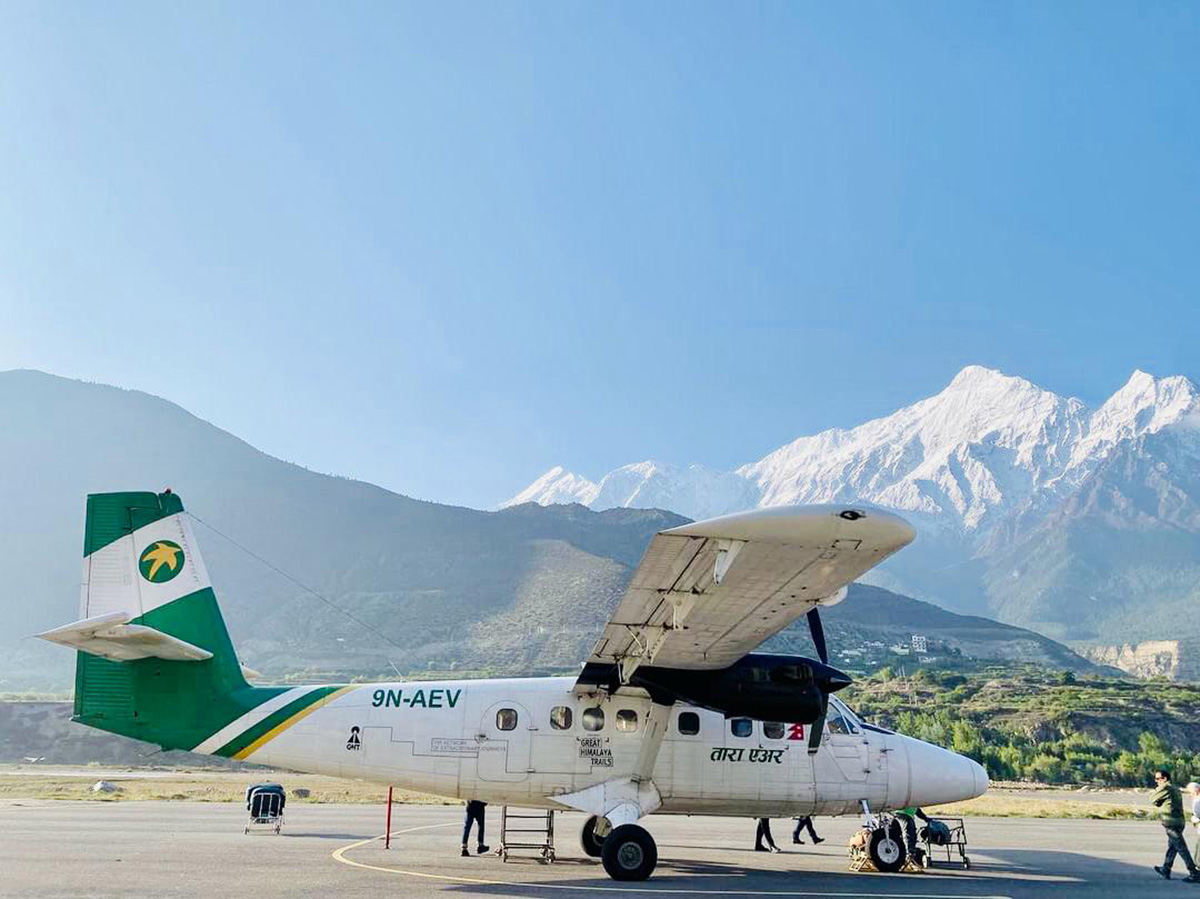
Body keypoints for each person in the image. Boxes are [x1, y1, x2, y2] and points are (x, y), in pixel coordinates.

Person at [1151, 769, 1200, 882]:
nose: (1156, 781)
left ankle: (1193, 872)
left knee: (1181, 848)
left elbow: (1153, 799)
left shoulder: (1165, 787)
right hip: (1179, 821)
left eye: (1158, 778)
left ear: (1165, 779)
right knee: (1173, 846)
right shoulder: (1175, 788)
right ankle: (1166, 868)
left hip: (1171, 822)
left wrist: (1158, 798)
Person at [1189, 782, 1200, 862]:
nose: (1190, 795)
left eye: (1190, 792)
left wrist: (1193, 819)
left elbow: (1198, 814)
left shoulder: (1197, 801)